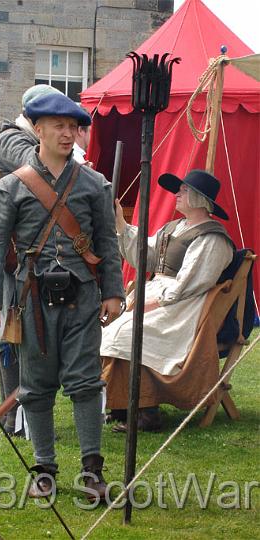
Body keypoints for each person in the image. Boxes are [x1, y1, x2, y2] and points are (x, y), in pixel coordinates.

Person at [0, 92, 124, 500]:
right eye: (58, 126)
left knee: (85, 383)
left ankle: (92, 470)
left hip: (83, 298)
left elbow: (107, 245)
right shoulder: (12, 187)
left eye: (73, 127)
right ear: (37, 129)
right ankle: (44, 468)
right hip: (32, 300)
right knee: (35, 387)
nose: (68, 134)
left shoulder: (94, 185)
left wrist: (112, 291)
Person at [101, 169, 234, 432]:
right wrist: (120, 225)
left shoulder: (212, 238)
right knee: (113, 332)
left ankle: (145, 413)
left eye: (183, 191)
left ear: (199, 198)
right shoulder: (174, 227)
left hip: (184, 308)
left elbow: (192, 282)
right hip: (160, 297)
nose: (177, 194)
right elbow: (146, 256)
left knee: (127, 333)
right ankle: (124, 406)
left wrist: (157, 302)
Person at [0, 84, 62, 436]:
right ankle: (11, 419)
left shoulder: (24, 139)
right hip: (9, 253)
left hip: (27, 253)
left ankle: (23, 416)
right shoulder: (11, 141)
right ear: (35, 118)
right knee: (7, 333)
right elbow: (44, 169)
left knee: (27, 332)